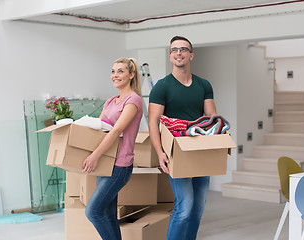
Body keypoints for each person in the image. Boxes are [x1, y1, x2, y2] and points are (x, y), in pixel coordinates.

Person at [148, 36, 217, 240]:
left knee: (198, 208)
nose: (179, 53)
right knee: (184, 206)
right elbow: (153, 122)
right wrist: (160, 152)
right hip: (176, 152)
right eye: (175, 49)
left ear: (191, 55)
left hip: (201, 151)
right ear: (170, 56)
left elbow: (212, 118)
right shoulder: (162, 86)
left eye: (184, 49)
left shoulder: (204, 85)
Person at [83, 58, 143, 240]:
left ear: (131, 75)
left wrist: (94, 156)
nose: (115, 75)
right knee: (107, 214)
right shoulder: (110, 101)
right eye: (113, 71)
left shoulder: (134, 100)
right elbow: (100, 127)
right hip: (106, 162)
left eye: (120, 71)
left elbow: (117, 130)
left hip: (120, 165)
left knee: (93, 211)